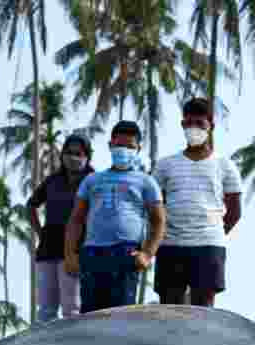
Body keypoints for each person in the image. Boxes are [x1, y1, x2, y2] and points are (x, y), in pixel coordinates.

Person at [64, 120, 166, 313]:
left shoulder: (146, 182)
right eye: (119, 145)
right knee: (91, 316)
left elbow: (158, 221)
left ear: (138, 149)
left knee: (122, 316)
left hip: (126, 254)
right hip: (93, 253)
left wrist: (147, 254)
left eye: (130, 146)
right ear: (111, 145)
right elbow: (76, 219)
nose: (123, 150)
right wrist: (70, 255)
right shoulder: (92, 180)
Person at [153, 98, 243, 307]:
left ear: (211, 126)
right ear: (183, 125)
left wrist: (212, 232)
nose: (194, 128)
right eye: (190, 123)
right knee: (169, 308)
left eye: (200, 124)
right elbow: (154, 207)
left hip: (209, 245)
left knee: (203, 310)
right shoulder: (165, 165)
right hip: (170, 245)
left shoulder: (225, 165)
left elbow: (235, 211)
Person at [27, 135, 95, 322]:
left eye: (78, 154)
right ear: (62, 155)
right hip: (49, 244)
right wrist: (41, 232)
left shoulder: (94, 180)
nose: (73, 157)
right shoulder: (52, 181)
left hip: (77, 247)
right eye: (68, 153)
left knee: (72, 307)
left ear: (87, 156)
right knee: (46, 308)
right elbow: (31, 205)